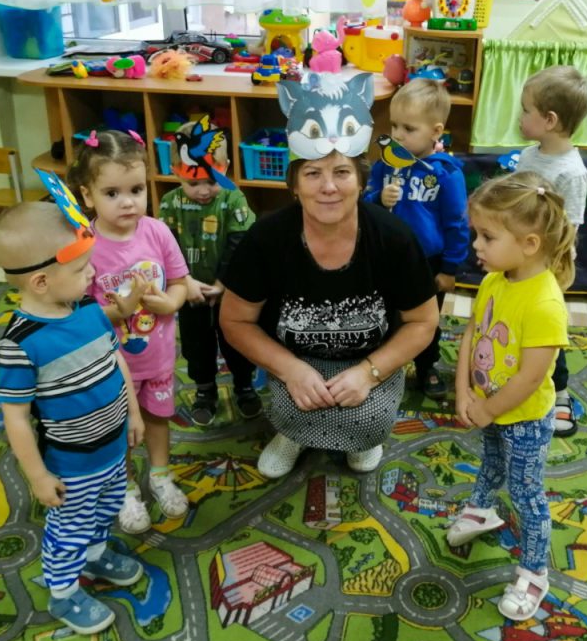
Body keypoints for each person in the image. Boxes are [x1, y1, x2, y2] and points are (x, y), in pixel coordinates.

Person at [220, 152, 440, 478]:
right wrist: (289, 369)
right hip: (294, 356)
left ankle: (363, 440)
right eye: (312, 173)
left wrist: (369, 373)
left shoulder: (393, 236)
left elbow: (423, 321)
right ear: (294, 185)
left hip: (371, 356)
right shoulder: (266, 238)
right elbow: (235, 320)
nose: (328, 186)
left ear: (361, 181)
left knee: (369, 418)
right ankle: (292, 435)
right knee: (294, 408)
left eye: (341, 172)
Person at [0, 201, 145, 635]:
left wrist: (133, 412)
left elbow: (117, 361)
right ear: (40, 281)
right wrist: (38, 476)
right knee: (69, 530)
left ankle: (95, 557)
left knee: (107, 507)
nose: (92, 275)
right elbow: (16, 418)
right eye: (81, 270)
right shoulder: (20, 344)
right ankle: (63, 593)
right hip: (72, 463)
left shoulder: (90, 312)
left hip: (112, 447)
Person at [448, 170, 574, 621]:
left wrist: (487, 408)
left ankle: (535, 572)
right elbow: (471, 333)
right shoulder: (494, 280)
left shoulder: (545, 304)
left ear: (530, 244)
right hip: (488, 407)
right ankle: (482, 509)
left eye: (487, 236)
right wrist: (464, 390)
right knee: (491, 462)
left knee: (526, 494)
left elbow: (530, 378)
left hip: (524, 418)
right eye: (476, 234)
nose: (476, 245)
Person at [68, 130, 190, 535]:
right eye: (112, 193)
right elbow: (77, 314)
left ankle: (160, 475)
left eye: (136, 190)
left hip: (157, 358)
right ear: (88, 196)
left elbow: (179, 281)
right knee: (118, 428)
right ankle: (123, 488)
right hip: (110, 365)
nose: (128, 202)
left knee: (157, 417)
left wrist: (171, 303)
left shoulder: (157, 232)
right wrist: (117, 311)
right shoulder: (84, 245)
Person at [364, 78, 469, 401]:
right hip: (387, 257)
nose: (397, 135)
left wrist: (449, 268)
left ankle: (426, 366)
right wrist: (379, 199)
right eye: (394, 125)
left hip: (428, 261)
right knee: (385, 314)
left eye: (408, 129)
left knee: (425, 320)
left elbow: (457, 223)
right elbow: (365, 206)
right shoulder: (384, 166)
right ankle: (382, 366)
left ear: (436, 131)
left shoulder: (446, 173)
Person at [514, 65, 587, 437]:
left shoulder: (572, 173)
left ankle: (559, 392)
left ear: (549, 120)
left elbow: (568, 230)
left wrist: (546, 270)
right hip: (517, 257)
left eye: (525, 110)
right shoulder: (527, 156)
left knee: (544, 331)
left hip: (548, 268)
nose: (519, 117)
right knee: (513, 322)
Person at [159, 164, 262, 426]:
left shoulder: (234, 197)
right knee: (196, 344)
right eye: (193, 184)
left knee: (237, 341)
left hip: (231, 290)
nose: (203, 191)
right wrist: (185, 281)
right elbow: (167, 246)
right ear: (176, 173)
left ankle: (244, 386)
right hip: (189, 291)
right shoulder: (169, 203)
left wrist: (222, 283)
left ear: (224, 169)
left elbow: (240, 242)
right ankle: (205, 390)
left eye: (211, 182)